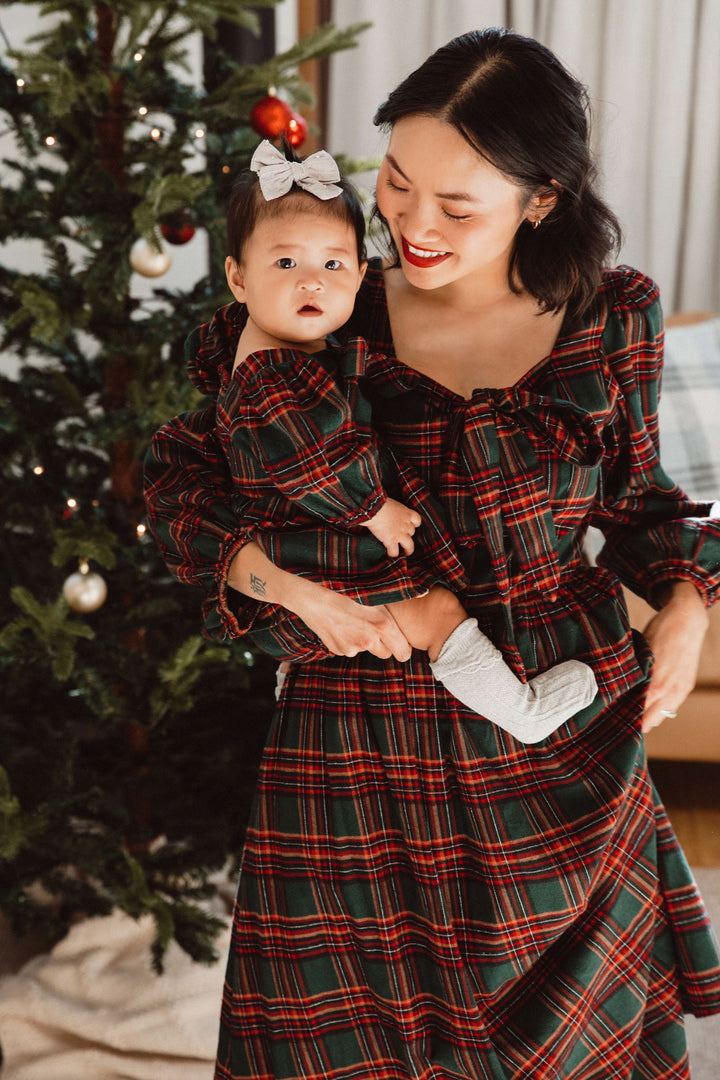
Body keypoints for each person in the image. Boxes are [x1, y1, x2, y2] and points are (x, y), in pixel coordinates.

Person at [145, 27, 720, 1080]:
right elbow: (181, 495)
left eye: (457, 206)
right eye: (397, 183)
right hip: (357, 737)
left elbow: (643, 507)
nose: (410, 224)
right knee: (345, 1045)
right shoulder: (317, 301)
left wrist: (687, 606)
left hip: (560, 732)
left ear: (541, 200)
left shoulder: (609, 314)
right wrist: (284, 589)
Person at [208, 138, 597, 742]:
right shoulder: (269, 370)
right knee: (438, 612)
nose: (312, 282)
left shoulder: (314, 350)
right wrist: (374, 511)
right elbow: (312, 463)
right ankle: (522, 713)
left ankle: (293, 673)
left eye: (332, 265)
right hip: (323, 543)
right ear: (238, 277)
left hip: (317, 544)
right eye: (285, 265)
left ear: (360, 275)